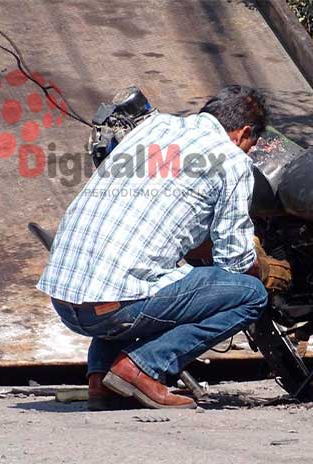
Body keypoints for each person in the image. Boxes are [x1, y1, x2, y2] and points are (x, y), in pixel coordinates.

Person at [37, 85, 291, 410]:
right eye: (251, 146)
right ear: (243, 133)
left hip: (65, 299)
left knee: (137, 272)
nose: (247, 153)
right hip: (117, 307)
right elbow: (235, 262)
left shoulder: (155, 127)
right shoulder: (231, 160)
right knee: (249, 294)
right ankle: (141, 367)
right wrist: (267, 270)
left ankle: (101, 379)